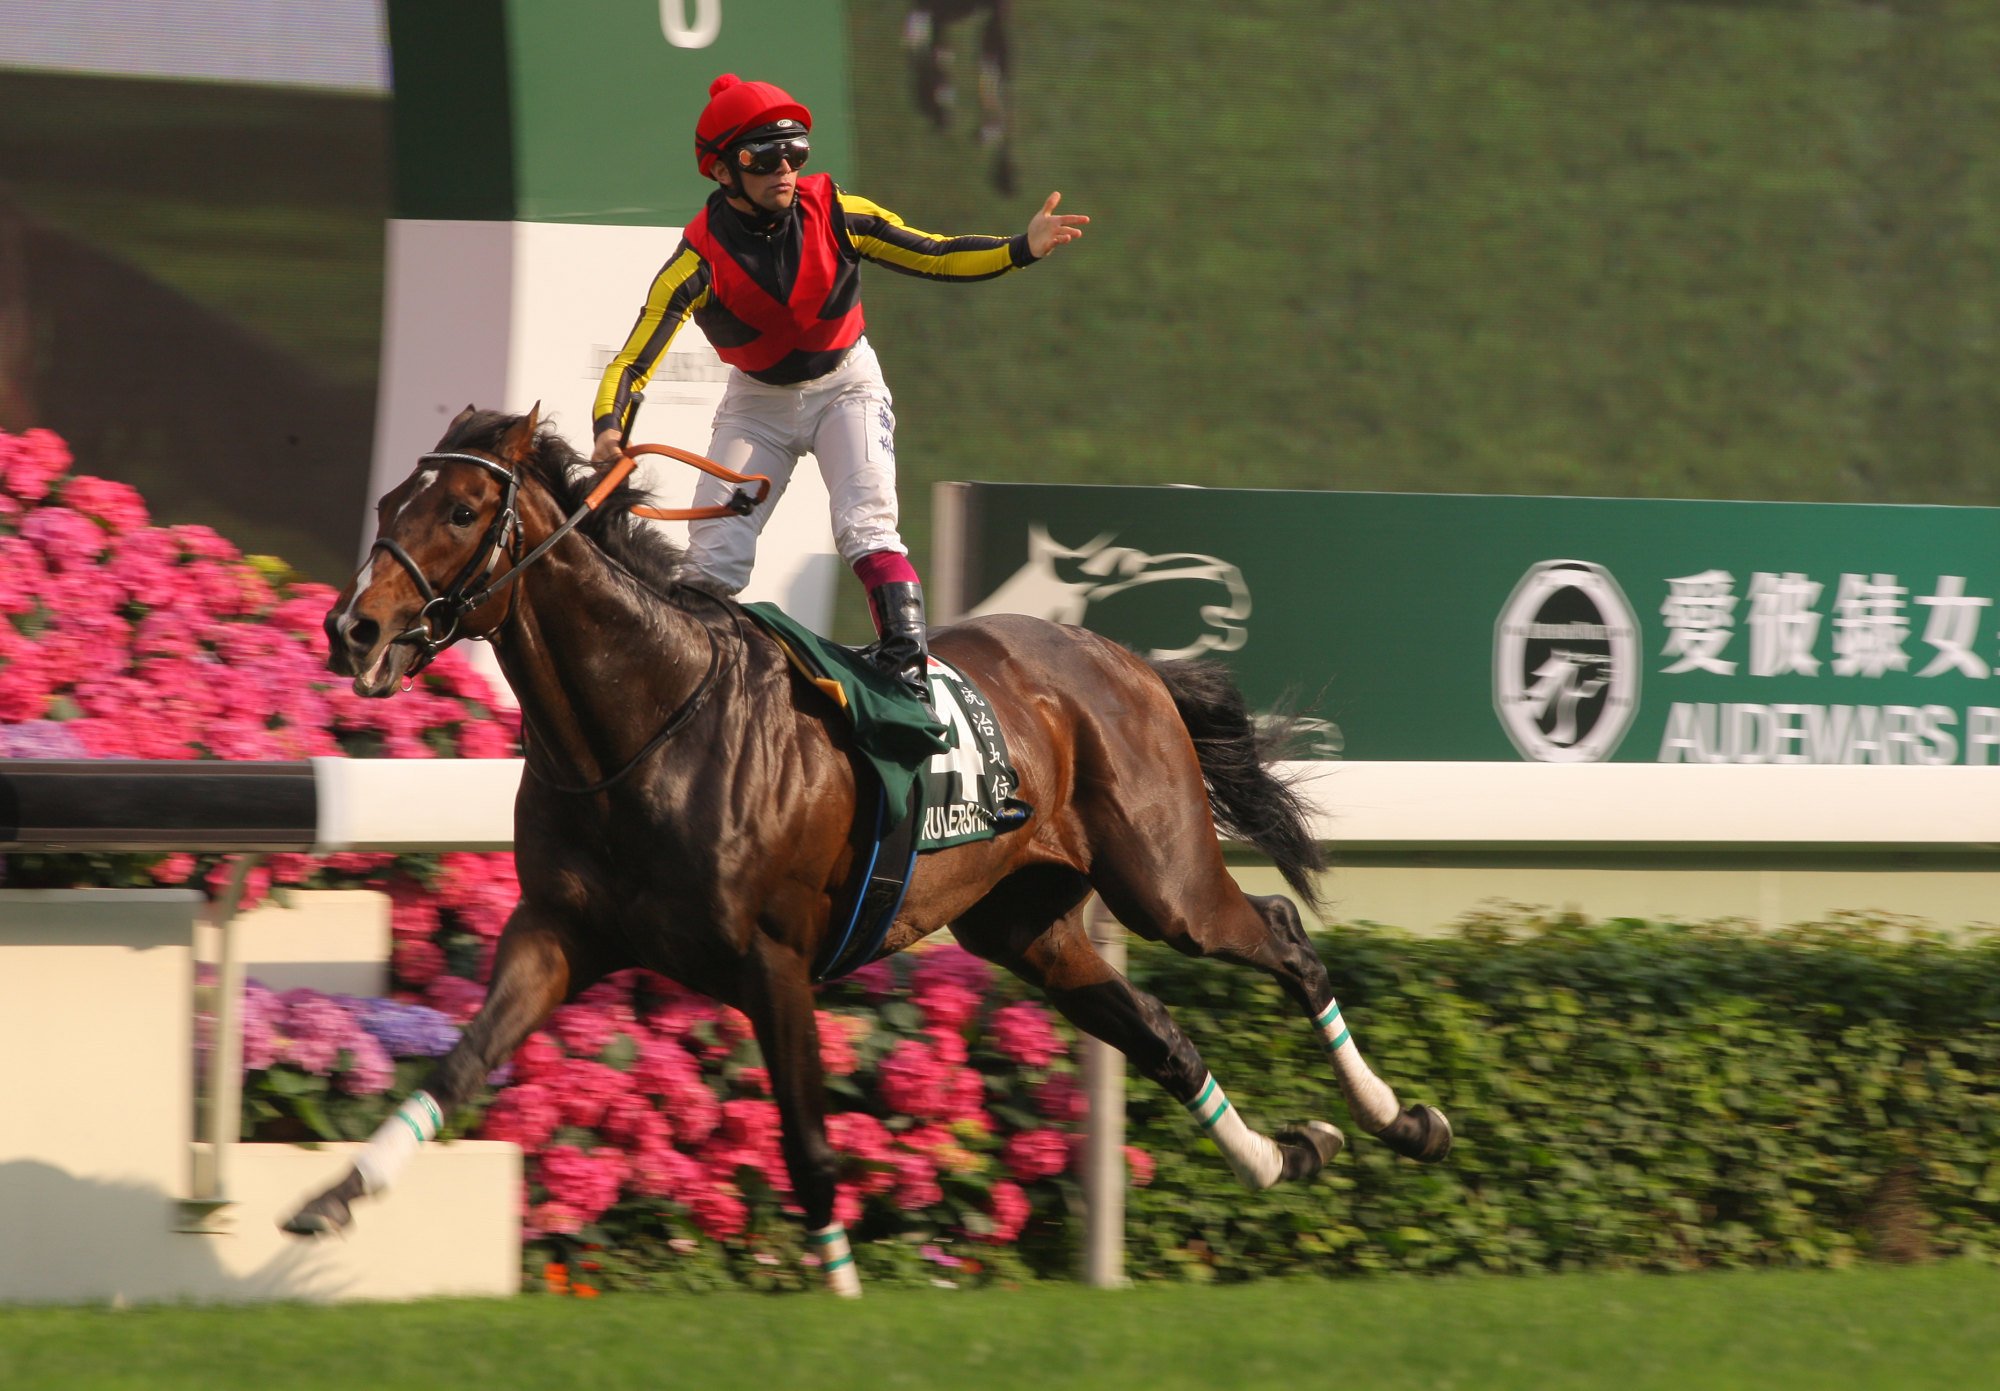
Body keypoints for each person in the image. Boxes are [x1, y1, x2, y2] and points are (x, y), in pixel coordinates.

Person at [591, 72, 1086, 699]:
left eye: (795, 151)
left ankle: (909, 673)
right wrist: (610, 429)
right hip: (757, 405)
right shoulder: (696, 257)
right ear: (721, 171)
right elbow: (634, 360)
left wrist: (1021, 247)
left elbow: (933, 254)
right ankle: (679, 690)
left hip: (846, 386)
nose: (785, 170)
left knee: (867, 527)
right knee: (713, 560)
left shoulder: (838, 210)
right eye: (763, 157)